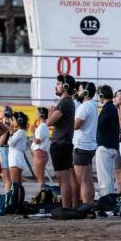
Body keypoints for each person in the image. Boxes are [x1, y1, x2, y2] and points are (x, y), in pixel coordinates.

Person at [47, 75, 78, 209]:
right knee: (65, 178)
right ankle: (69, 206)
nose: (56, 86)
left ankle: (66, 207)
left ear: (65, 87)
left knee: (62, 179)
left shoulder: (64, 102)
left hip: (60, 144)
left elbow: (49, 122)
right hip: (64, 143)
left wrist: (50, 113)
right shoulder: (68, 102)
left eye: (59, 84)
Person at [73, 82, 99, 205]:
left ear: (85, 92)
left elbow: (76, 125)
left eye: (80, 90)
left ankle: (86, 205)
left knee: (82, 180)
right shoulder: (93, 105)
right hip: (89, 145)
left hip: (82, 145)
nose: (78, 92)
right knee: (88, 179)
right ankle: (90, 203)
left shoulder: (84, 106)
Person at [94, 85, 121, 199]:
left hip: (105, 147)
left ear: (101, 96)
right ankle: (108, 199)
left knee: (104, 178)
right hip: (111, 146)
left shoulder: (108, 108)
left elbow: (101, 125)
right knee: (108, 176)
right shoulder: (112, 108)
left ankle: (107, 200)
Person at [7, 111, 29, 191]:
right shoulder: (20, 132)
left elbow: (10, 143)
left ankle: (16, 201)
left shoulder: (20, 132)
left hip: (15, 159)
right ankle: (18, 201)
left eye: (13, 120)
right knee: (18, 185)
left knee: (15, 185)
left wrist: (11, 133)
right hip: (17, 158)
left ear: (19, 121)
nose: (12, 122)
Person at [0, 104, 14, 194]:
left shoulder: (6, 125)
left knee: (6, 178)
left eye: (1, 111)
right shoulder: (7, 124)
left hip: (3, 150)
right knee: (5, 177)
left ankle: (7, 196)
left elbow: (1, 142)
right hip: (3, 150)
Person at [31, 107, 50, 191]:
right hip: (39, 153)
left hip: (40, 153)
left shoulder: (42, 126)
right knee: (39, 177)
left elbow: (37, 141)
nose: (36, 115)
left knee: (40, 177)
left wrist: (32, 133)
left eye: (37, 113)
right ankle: (41, 193)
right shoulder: (42, 126)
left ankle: (41, 194)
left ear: (41, 115)